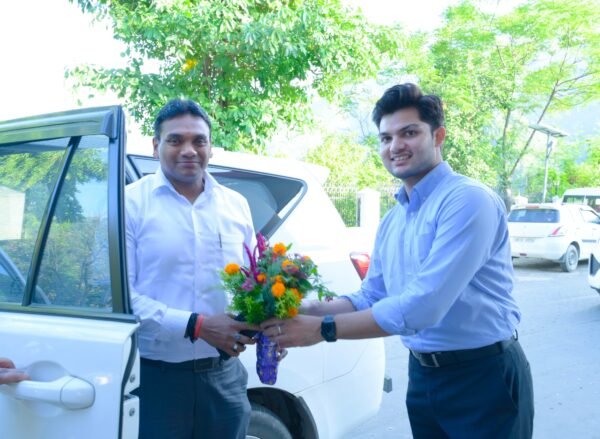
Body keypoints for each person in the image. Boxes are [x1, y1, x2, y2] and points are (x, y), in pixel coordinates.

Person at [262, 83, 534, 438]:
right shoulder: (394, 219)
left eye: (409, 133)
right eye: (386, 138)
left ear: (438, 136)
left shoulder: (468, 201)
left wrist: (321, 330)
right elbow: (371, 296)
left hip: (483, 375)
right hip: (424, 376)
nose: (395, 146)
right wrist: (304, 310)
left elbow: (423, 307)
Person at [126, 98, 259, 439]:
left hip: (225, 378)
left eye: (199, 140)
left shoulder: (236, 205)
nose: (189, 150)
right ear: (156, 146)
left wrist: (267, 324)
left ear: (211, 147)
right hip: (156, 381)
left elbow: (252, 283)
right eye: (175, 140)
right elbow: (122, 298)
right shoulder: (129, 204)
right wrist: (197, 325)